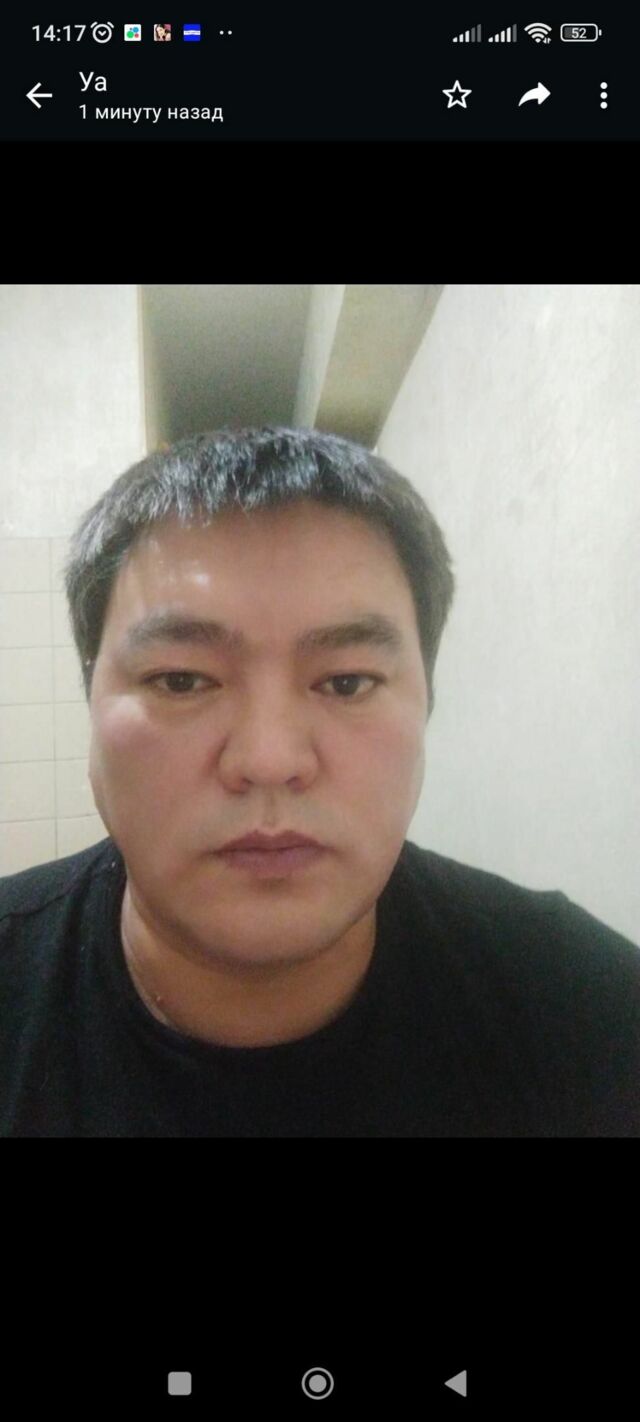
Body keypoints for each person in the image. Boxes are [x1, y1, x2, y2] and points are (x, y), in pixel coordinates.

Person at [1, 426, 638, 1137]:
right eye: (181, 680)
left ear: (427, 702)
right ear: (89, 702)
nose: (270, 759)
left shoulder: (590, 1010)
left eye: (346, 682)